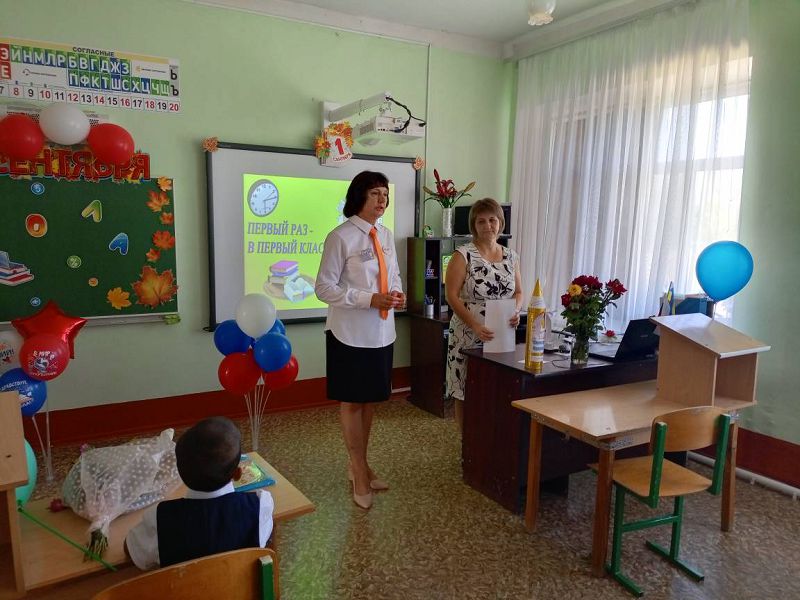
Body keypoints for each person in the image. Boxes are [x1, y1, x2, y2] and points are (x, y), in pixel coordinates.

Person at [315, 170, 405, 510]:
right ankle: (357, 470)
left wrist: (396, 293)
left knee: (369, 402)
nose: (382, 200)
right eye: (375, 193)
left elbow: (393, 275)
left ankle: (362, 465)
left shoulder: (386, 235)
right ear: (359, 197)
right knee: (353, 402)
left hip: (381, 333)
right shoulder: (340, 237)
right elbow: (324, 288)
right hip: (350, 335)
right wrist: (369, 299)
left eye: (385, 194)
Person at [125, 417, 274, 569]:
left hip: (184, 585)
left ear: (180, 473)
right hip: (239, 584)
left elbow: (132, 551)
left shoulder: (158, 517)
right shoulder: (260, 505)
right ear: (237, 474)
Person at [445, 198, 523, 431]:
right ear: (474, 226)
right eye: (481, 221)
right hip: (468, 333)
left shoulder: (511, 256)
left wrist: (516, 309)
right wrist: (475, 325)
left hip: (501, 335)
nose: (488, 225)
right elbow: (451, 296)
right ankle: (466, 442)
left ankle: (488, 441)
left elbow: (518, 292)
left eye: (492, 220)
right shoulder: (463, 255)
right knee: (464, 388)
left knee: (495, 386)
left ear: (500, 222)